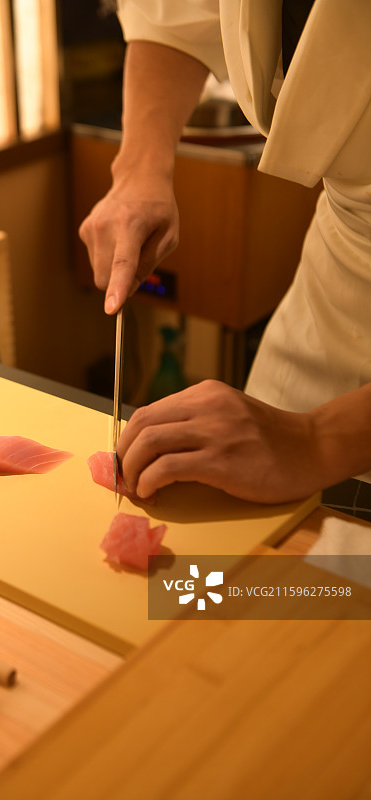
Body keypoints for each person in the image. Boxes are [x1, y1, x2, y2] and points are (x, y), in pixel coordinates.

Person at [79, 0, 371, 505]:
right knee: (260, 572)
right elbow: (177, 15)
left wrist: (316, 440)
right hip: (341, 270)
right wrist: (139, 169)